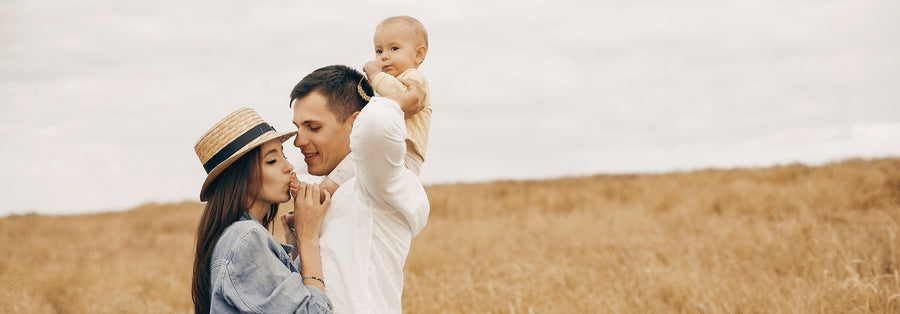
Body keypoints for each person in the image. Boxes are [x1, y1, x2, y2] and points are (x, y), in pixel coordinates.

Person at [287, 65, 429, 313]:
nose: (298, 141)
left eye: (313, 127)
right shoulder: (325, 186)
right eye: (298, 127)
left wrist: (401, 101)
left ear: (355, 124)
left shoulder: (377, 183)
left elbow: (376, 125)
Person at [191, 107, 334, 313]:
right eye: (271, 160)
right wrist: (308, 238)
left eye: (283, 155)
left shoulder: (233, 236)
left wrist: (293, 245)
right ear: (240, 177)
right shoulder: (245, 238)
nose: (289, 167)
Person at [319, 15, 432, 195]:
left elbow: (399, 94)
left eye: (394, 48)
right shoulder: (389, 81)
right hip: (392, 150)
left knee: (356, 160)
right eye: (379, 51)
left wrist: (375, 75)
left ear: (418, 54)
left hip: (405, 155)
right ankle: (322, 196)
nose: (384, 56)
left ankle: (320, 194)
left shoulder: (414, 78)